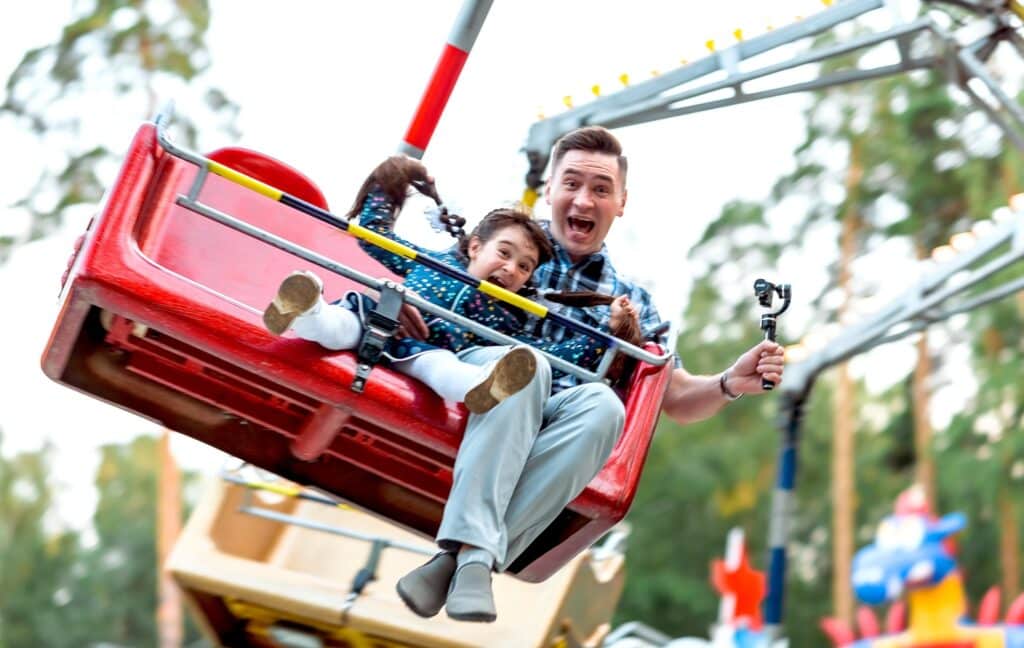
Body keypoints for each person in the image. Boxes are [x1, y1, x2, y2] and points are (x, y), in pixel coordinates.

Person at [392, 126, 785, 623]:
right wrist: (403, 297)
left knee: (604, 406)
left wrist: (730, 381)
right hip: (477, 384)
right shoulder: (504, 246)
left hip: (552, 426)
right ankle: (473, 558)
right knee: (526, 367)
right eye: (572, 184)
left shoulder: (631, 303)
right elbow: (425, 275)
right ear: (550, 189)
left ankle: (464, 559)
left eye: (600, 189)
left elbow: (677, 398)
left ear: (620, 202)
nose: (583, 199)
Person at [262, 156, 640, 416]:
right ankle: (304, 308)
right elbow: (373, 235)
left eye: (524, 267)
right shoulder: (431, 263)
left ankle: (484, 387)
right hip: (378, 322)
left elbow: (550, 353)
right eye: (504, 253)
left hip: (426, 351)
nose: (510, 269)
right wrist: (394, 176)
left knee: (445, 370)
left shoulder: (505, 317)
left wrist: (607, 333)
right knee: (339, 325)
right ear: (476, 246)